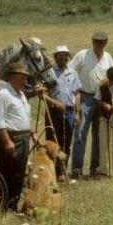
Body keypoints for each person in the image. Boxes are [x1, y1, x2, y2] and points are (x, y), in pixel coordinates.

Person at [70, 31, 113, 179]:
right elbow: (70, 72)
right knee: (81, 134)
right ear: (92, 41)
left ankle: (95, 169)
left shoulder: (108, 58)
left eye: (101, 42)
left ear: (106, 43)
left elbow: (112, 77)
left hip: (101, 100)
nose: (98, 44)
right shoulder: (82, 55)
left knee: (98, 135)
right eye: (96, 41)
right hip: (85, 98)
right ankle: (76, 170)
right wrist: (75, 93)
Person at [0, 61, 37, 212]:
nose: (25, 81)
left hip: (23, 139)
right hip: (11, 138)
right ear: (12, 78)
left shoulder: (21, 95)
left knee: (19, 174)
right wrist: (6, 141)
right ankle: (5, 207)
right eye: (21, 77)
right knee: (8, 173)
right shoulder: (4, 94)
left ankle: (13, 205)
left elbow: (22, 118)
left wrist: (32, 133)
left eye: (25, 78)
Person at [44, 45, 80, 178]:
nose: (63, 57)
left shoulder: (73, 72)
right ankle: (50, 171)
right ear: (55, 57)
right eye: (60, 55)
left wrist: (77, 113)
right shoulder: (49, 73)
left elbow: (77, 94)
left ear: (68, 57)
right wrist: (55, 103)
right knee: (52, 141)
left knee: (67, 141)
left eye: (65, 55)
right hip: (53, 111)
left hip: (70, 111)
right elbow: (43, 94)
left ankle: (62, 171)